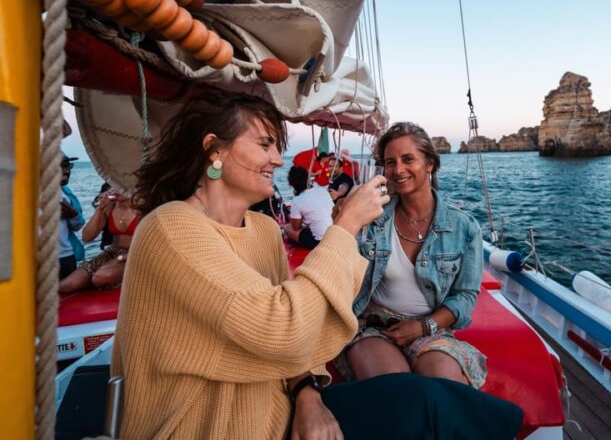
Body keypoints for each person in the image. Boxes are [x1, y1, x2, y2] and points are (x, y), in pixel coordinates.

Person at [110, 90, 390, 439]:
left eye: (276, 146)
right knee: (423, 409)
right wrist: (345, 226)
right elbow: (282, 328)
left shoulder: (264, 230)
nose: (277, 158)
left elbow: (303, 328)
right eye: (264, 144)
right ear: (215, 149)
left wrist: (308, 394)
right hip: (203, 427)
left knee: (424, 400)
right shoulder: (169, 228)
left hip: (279, 412)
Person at [341, 122, 487, 389]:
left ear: (429, 163)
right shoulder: (371, 219)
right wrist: (344, 218)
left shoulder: (464, 227)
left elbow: (466, 296)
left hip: (431, 327)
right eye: (390, 162)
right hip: (374, 325)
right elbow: (342, 268)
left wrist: (424, 327)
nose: (398, 170)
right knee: (397, 390)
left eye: (408, 159)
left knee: (443, 385)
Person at [59, 187, 141, 293]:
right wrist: (100, 209)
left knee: (100, 277)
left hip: (137, 255)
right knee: (67, 285)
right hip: (112, 252)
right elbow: (87, 237)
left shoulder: (143, 208)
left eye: (118, 185)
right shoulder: (110, 207)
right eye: (112, 185)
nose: (115, 189)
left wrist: (120, 258)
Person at [284, 165, 334, 249]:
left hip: (320, 242)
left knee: (287, 228)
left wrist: (292, 218)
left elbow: (296, 227)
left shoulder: (297, 200)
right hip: (334, 236)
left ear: (292, 184)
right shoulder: (322, 189)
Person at [58, 153, 85, 280]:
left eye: (68, 166)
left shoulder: (66, 193)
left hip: (65, 256)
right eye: (62, 166)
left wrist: (73, 215)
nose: (67, 171)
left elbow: (78, 225)